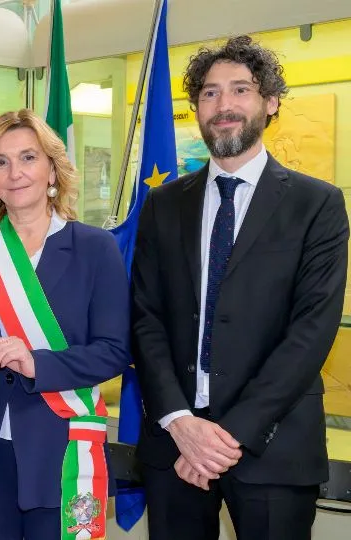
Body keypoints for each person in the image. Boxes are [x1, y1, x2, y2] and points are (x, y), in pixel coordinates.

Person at [132, 35, 349, 540]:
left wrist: (224, 439)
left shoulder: (317, 205)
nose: (223, 105)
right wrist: (180, 422)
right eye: (209, 93)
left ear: (270, 102)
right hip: (175, 444)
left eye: (240, 90)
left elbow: (311, 332)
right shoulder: (164, 204)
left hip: (273, 446)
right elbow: (146, 318)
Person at [0, 109, 130, 540]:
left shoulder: (95, 248)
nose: (15, 173)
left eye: (28, 157)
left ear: (52, 170)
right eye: (0, 161)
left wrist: (36, 363)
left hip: (60, 448)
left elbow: (114, 351)